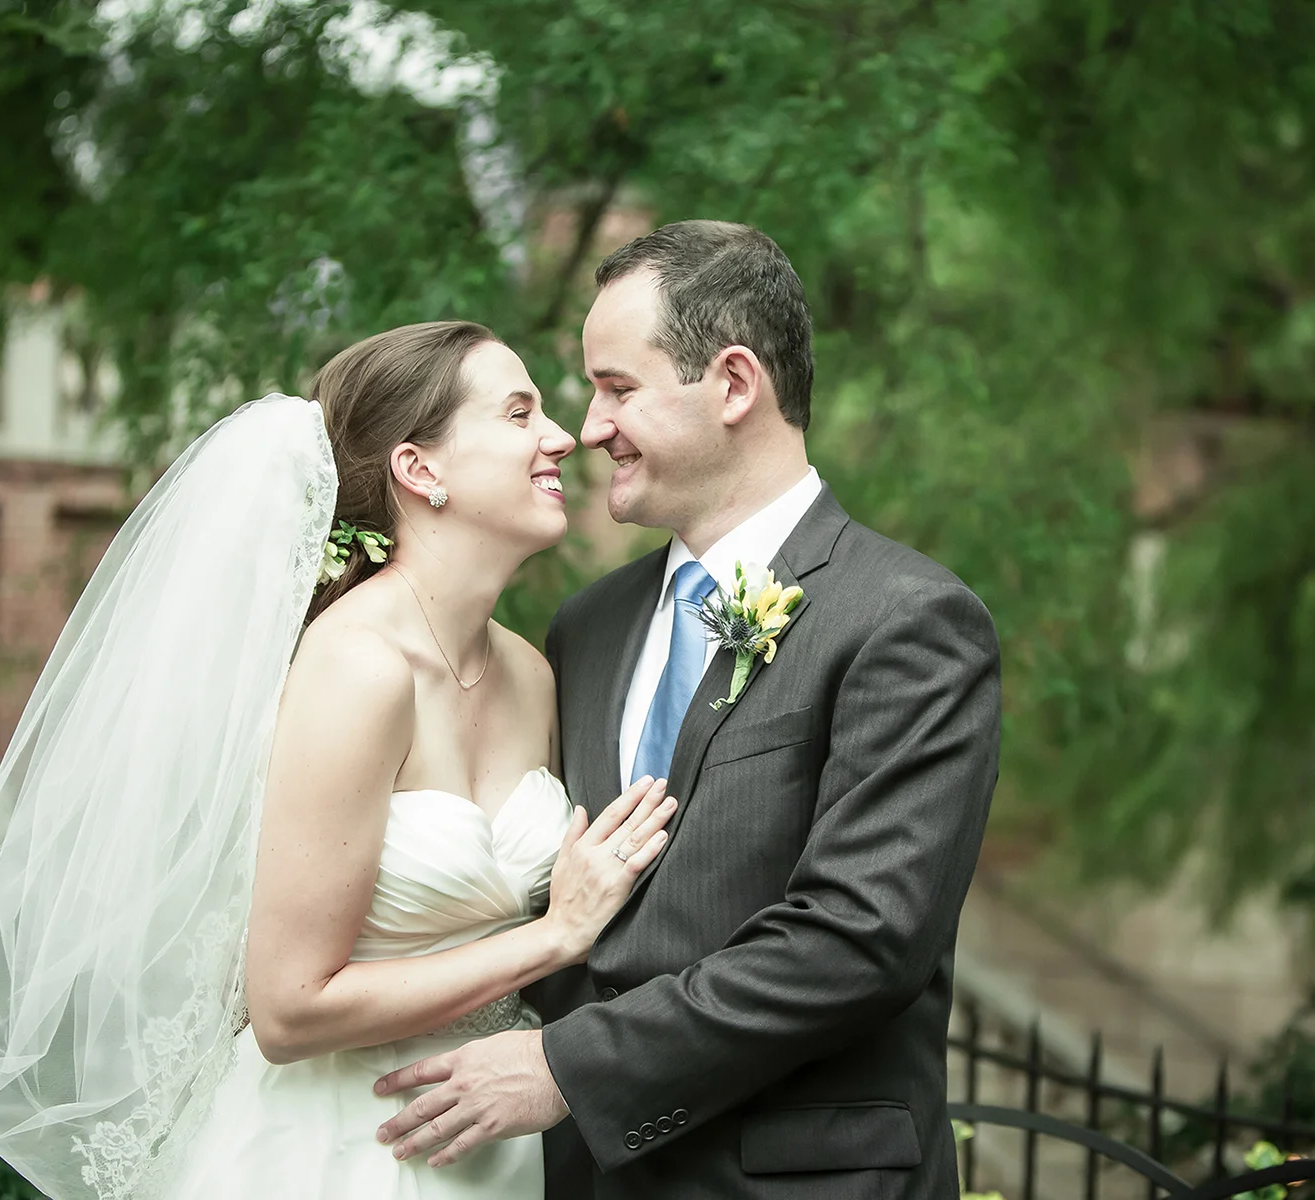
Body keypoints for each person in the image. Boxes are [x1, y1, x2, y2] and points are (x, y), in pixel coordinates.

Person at [0, 321, 675, 1200]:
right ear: (419, 470)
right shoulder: (356, 668)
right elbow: (287, 1008)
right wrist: (554, 936)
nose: (559, 436)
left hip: (491, 1147)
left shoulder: (534, 674)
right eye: (517, 413)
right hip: (339, 1145)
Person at [375, 221, 1002, 1199]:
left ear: (735, 385)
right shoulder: (586, 628)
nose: (587, 427)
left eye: (617, 388)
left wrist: (569, 1067)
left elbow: (859, 938)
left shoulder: (909, 622)